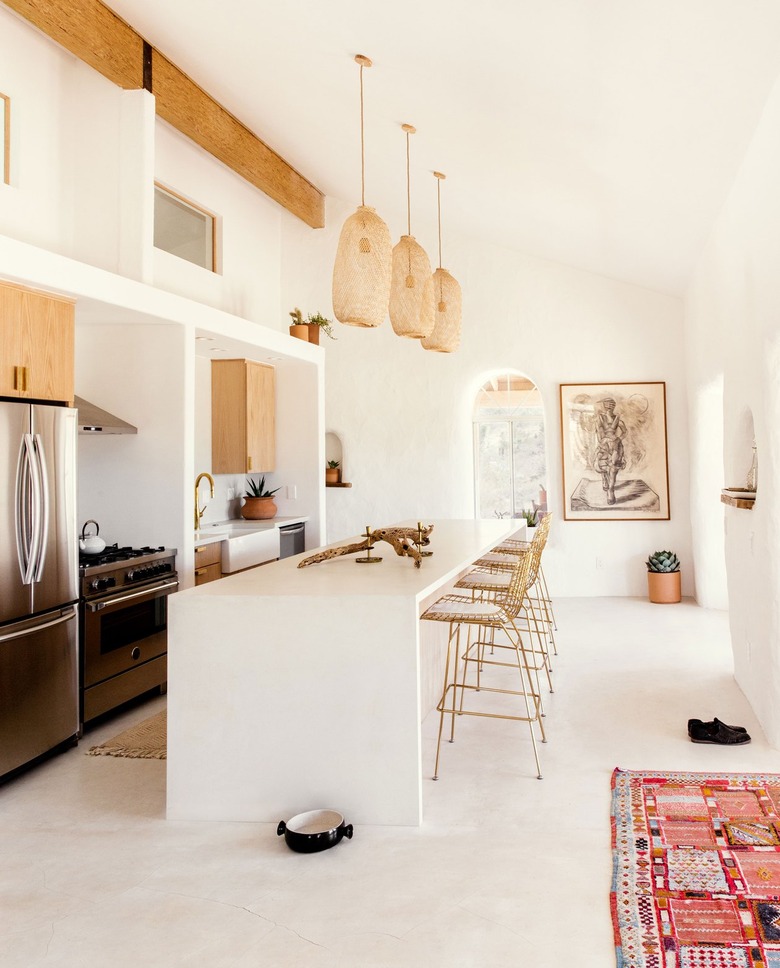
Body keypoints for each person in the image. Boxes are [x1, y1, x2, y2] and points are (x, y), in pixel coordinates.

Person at [595, 398, 626, 505]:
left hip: (615, 444)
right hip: (604, 443)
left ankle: (610, 490)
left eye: (611, 405)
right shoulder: (600, 418)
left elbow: (624, 431)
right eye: (607, 406)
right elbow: (599, 431)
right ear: (604, 406)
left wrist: (619, 439)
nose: (609, 408)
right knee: (602, 463)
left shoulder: (618, 419)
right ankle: (604, 478)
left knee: (613, 467)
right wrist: (603, 441)